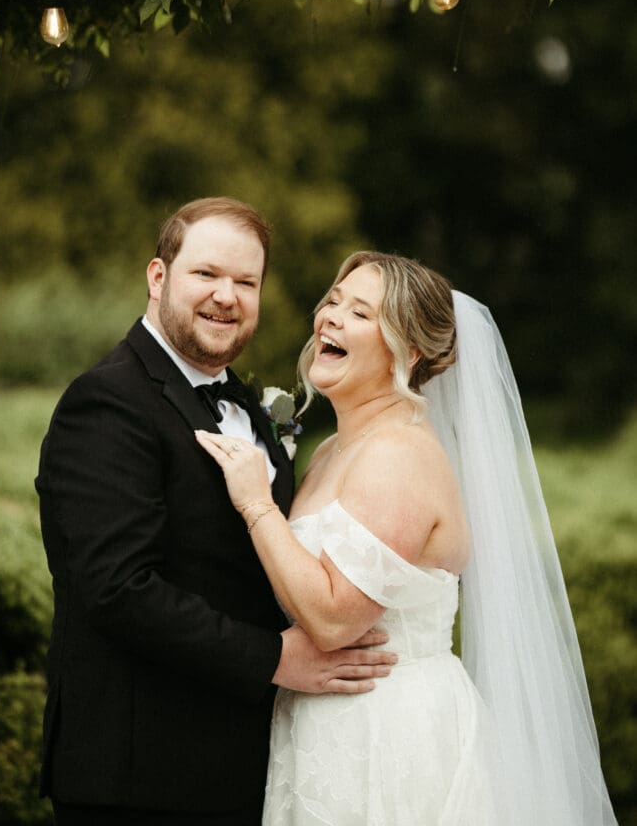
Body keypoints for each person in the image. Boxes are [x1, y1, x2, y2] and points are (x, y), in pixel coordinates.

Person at [197, 250, 619, 826]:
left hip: (389, 735)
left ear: (410, 351)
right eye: (334, 302)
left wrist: (254, 504)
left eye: (361, 313)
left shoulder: (399, 454)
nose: (331, 318)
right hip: (327, 726)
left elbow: (333, 619)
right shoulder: (331, 450)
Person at [35, 199, 396, 826]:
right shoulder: (107, 402)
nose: (226, 296)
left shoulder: (249, 408)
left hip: (239, 767)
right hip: (139, 777)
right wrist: (275, 659)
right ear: (158, 277)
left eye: (246, 282)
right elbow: (118, 589)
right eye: (207, 274)